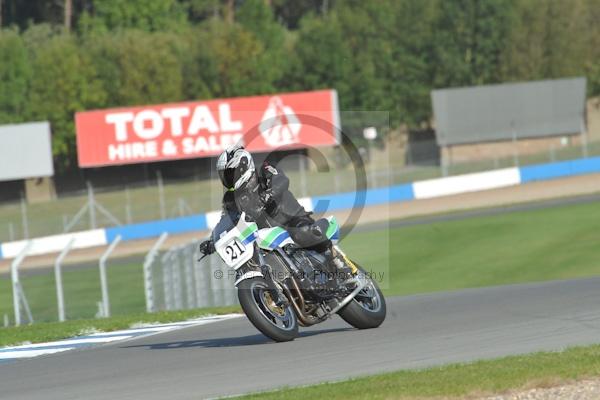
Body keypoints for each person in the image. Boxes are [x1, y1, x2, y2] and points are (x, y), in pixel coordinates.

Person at [199, 144, 346, 273]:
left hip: (292, 220)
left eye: (230, 172)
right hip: (267, 236)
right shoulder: (231, 199)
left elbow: (281, 180)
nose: (228, 178)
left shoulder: (264, 169)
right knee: (256, 262)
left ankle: (336, 260)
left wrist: (269, 194)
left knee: (302, 233)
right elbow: (225, 219)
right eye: (224, 174)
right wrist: (212, 240)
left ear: (243, 166)